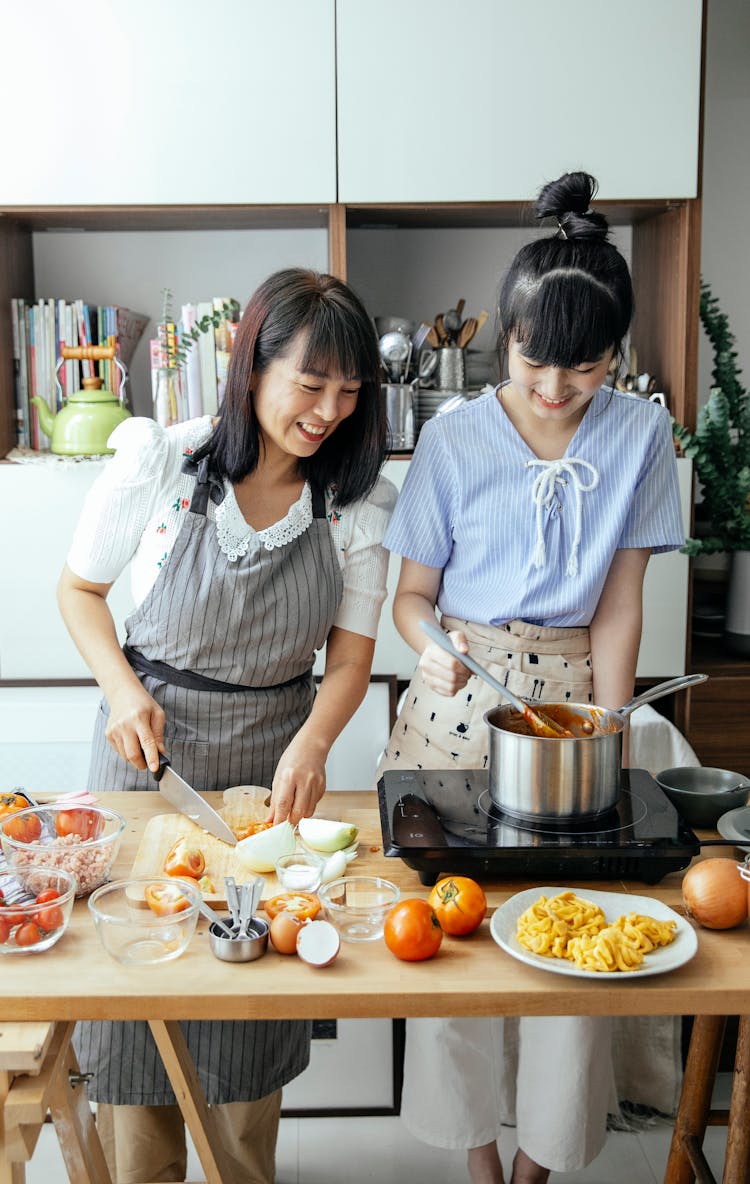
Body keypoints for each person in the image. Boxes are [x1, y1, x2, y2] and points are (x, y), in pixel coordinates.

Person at [377, 172, 684, 1184]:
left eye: (584, 369)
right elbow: (411, 596)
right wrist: (426, 640)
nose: (554, 388)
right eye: (532, 361)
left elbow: (622, 600)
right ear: (501, 336)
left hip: (572, 700)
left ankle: (540, 1166)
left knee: (572, 933)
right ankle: (477, 1161)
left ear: (618, 356)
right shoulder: (456, 435)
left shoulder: (641, 434)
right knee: (456, 933)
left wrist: (604, 721)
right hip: (457, 690)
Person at [57, 267, 397, 1184]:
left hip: (270, 768)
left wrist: (315, 742)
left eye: (348, 390)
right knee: (139, 1018)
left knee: (250, 1013)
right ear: (252, 369)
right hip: (145, 755)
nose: (328, 410)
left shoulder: (356, 505)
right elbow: (80, 592)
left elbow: (352, 660)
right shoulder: (163, 462)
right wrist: (124, 690)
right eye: (309, 383)